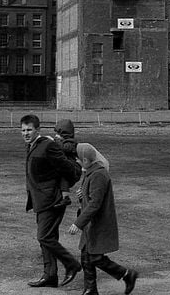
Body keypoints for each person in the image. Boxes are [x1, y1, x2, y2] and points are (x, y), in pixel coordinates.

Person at [20, 114, 82, 288]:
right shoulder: (32, 146)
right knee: (47, 237)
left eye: (29, 130)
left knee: (44, 236)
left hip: (52, 200)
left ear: (37, 130)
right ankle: (50, 276)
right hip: (40, 200)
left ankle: (71, 264)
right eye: (23, 130)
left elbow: (69, 169)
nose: (26, 133)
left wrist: (62, 190)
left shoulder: (48, 146)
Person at [68, 143, 138, 295]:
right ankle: (90, 289)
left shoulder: (98, 175)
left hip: (97, 224)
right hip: (92, 224)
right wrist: (83, 195)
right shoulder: (91, 172)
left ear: (86, 160)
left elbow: (95, 204)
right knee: (86, 257)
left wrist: (78, 223)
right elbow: (91, 198)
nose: (77, 162)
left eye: (79, 159)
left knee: (95, 257)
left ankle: (127, 275)